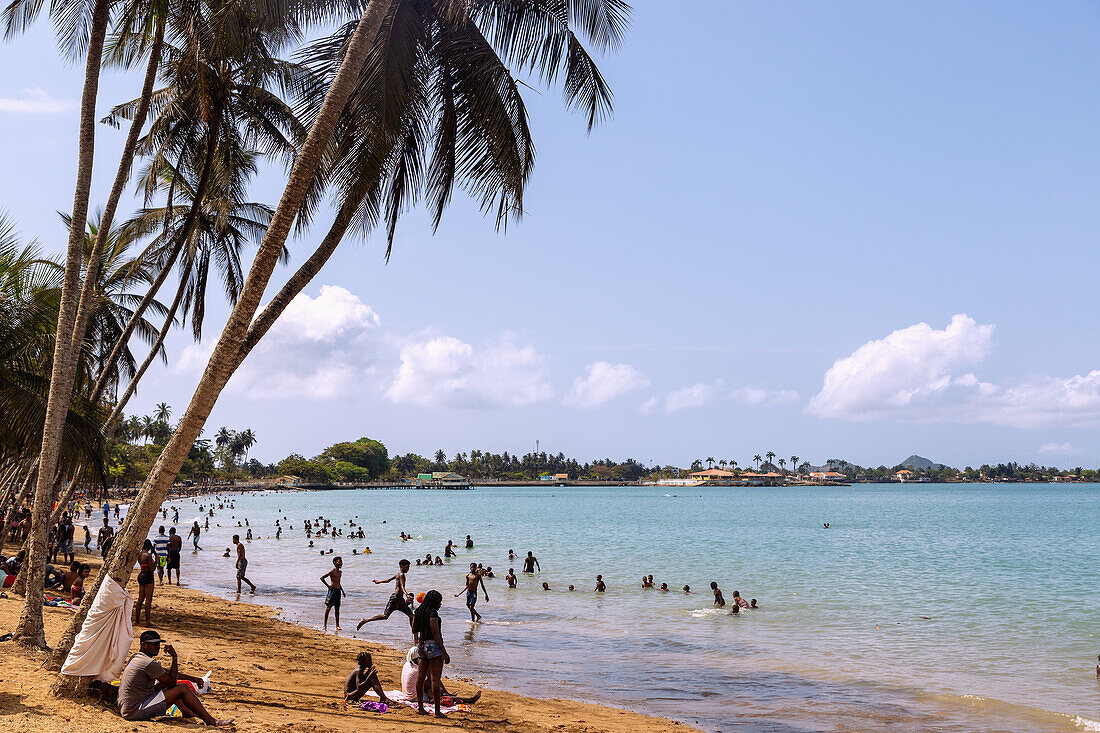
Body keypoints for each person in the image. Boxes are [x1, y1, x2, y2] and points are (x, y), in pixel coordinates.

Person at [117, 630, 232, 725]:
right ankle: (211, 721)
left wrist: (194, 679)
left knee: (166, 684)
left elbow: (168, 674)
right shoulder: (149, 663)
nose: (157, 647)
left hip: (127, 707)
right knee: (182, 688)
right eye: (154, 644)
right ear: (143, 645)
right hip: (135, 711)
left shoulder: (136, 657)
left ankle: (186, 712)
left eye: (158, 644)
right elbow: (172, 682)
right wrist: (175, 658)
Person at [413, 590, 449, 718]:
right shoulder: (432, 613)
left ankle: (421, 708)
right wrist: (444, 652)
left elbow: (414, 629)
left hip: (422, 646)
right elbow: (435, 633)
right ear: (434, 602)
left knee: (421, 678)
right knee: (435, 679)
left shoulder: (418, 612)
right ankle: (437, 712)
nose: (440, 604)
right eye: (439, 602)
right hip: (433, 646)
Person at [357, 559, 413, 628]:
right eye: (407, 567)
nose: (408, 569)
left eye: (408, 567)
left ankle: (365, 621)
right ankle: (365, 621)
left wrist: (378, 582)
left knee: (409, 615)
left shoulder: (398, 574)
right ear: (402, 566)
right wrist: (407, 595)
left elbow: (388, 580)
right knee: (410, 616)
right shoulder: (401, 575)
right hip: (396, 598)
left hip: (398, 598)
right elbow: (402, 586)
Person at [134, 540, 156, 626]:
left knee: (140, 599)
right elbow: (152, 569)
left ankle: (137, 620)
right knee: (148, 599)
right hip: (148, 576)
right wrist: (157, 561)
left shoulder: (139, 554)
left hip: (141, 575)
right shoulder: (148, 555)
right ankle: (147, 622)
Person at [321, 556, 345, 630]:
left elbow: (338, 582)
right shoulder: (333, 571)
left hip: (338, 591)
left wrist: (343, 591)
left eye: (341, 562)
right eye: (339, 562)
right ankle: (325, 625)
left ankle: (337, 625)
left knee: (337, 608)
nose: (341, 563)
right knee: (328, 608)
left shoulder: (340, 572)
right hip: (333, 591)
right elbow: (322, 578)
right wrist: (328, 586)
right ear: (335, 563)